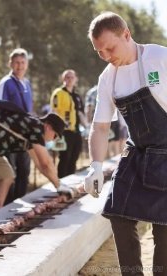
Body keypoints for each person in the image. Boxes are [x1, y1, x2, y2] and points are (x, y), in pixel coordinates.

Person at [85, 11, 167, 275]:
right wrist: (95, 165)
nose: (106, 56)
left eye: (110, 47)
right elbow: (99, 127)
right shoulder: (107, 78)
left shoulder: (159, 57)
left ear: (127, 34)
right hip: (137, 152)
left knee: (164, 228)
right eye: (99, 51)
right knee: (118, 215)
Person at [0, 98, 73, 226]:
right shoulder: (36, 128)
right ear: (47, 127)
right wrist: (59, 186)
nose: (54, 139)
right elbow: (46, 162)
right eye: (55, 135)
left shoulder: (30, 131)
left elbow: (40, 165)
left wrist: (58, 185)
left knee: (7, 176)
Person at [0, 48, 33, 204]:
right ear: (10, 63)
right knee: (10, 172)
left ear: (27, 65)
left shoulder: (27, 83)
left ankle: (20, 203)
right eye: (16, 62)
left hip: (25, 135)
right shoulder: (6, 83)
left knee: (24, 170)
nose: (20, 66)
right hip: (10, 135)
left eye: (23, 62)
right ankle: (8, 206)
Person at [50, 69, 87, 177]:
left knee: (74, 157)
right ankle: (61, 183)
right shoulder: (58, 93)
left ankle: (71, 181)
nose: (70, 79)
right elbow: (54, 112)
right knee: (65, 158)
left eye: (72, 77)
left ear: (76, 79)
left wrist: (88, 127)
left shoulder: (77, 96)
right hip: (64, 132)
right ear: (63, 79)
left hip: (76, 131)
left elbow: (80, 113)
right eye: (67, 77)